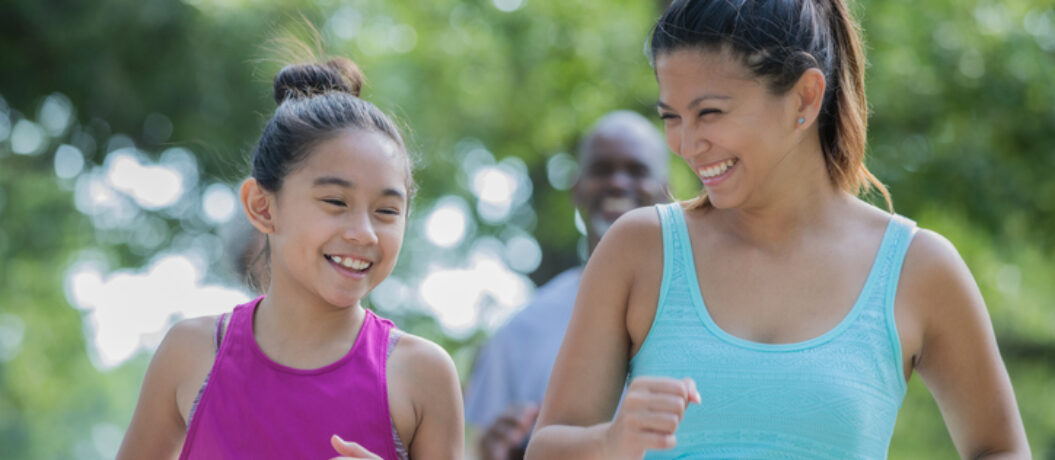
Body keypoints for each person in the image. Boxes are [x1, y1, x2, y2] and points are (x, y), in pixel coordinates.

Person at [527, 1, 1031, 459]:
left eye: (710, 113)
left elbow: (1002, 449)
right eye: (672, 116)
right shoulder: (639, 249)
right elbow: (545, 449)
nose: (686, 143)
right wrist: (612, 442)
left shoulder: (919, 268)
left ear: (805, 100)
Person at [116, 56, 463, 460]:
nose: (364, 233)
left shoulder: (424, 375)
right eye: (336, 201)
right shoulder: (190, 353)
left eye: (386, 211)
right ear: (262, 207)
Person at [464, 110, 669, 460]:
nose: (618, 183)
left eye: (637, 170)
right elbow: (473, 449)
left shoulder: (716, 307)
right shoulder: (520, 331)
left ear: (668, 190)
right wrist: (489, 451)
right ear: (577, 188)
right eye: (602, 169)